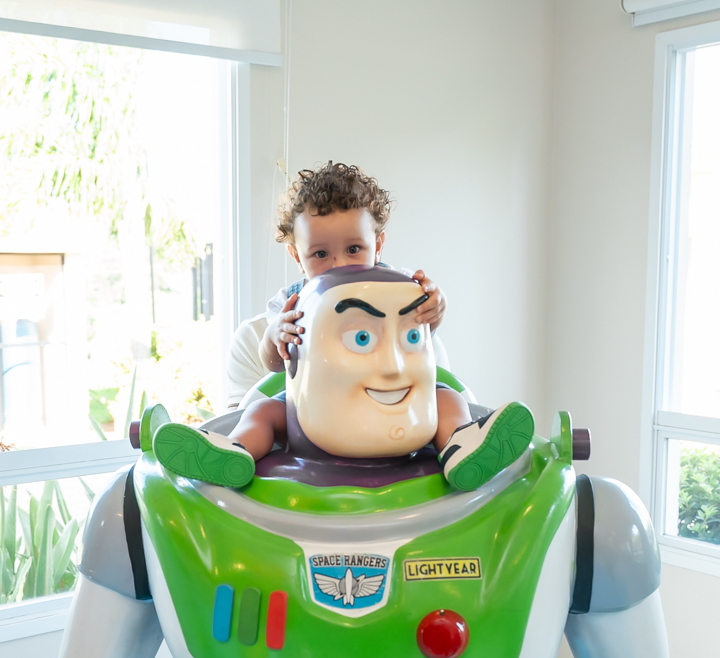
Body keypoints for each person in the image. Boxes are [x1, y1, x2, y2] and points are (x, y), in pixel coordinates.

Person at [154, 163, 533, 494]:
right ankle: (234, 452)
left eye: (354, 249)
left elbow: (421, 335)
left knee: (448, 399)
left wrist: (436, 306)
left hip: (399, 411)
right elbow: (272, 362)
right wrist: (277, 335)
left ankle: (461, 447)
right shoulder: (291, 301)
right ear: (296, 255)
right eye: (320, 254)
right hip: (312, 419)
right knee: (263, 411)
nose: (339, 264)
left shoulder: (400, 287)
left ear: (377, 244)